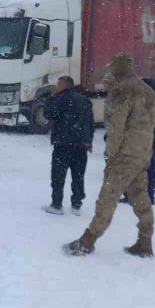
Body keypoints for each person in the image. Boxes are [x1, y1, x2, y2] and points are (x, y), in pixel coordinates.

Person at [65, 53, 155, 258]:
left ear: (116, 69)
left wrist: (111, 155)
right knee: (140, 196)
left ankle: (88, 240)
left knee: (108, 197)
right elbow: (151, 123)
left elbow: (115, 128)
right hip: (143, 153)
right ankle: (145, 241)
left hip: (124, 154)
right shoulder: (147, 90)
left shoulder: (122, 91)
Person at [42, 76, 95, 216]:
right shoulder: (84, 100)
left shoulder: (60, 99)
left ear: (65, 85)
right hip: (80, 145)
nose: (56, 86)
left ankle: (57, 204)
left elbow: (48, 114)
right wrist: (88, 141)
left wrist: (50, 98)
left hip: (63, 143)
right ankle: (76, 204)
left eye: (58, 84)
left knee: (58, 175)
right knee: (78, 175)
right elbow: (90, 123)